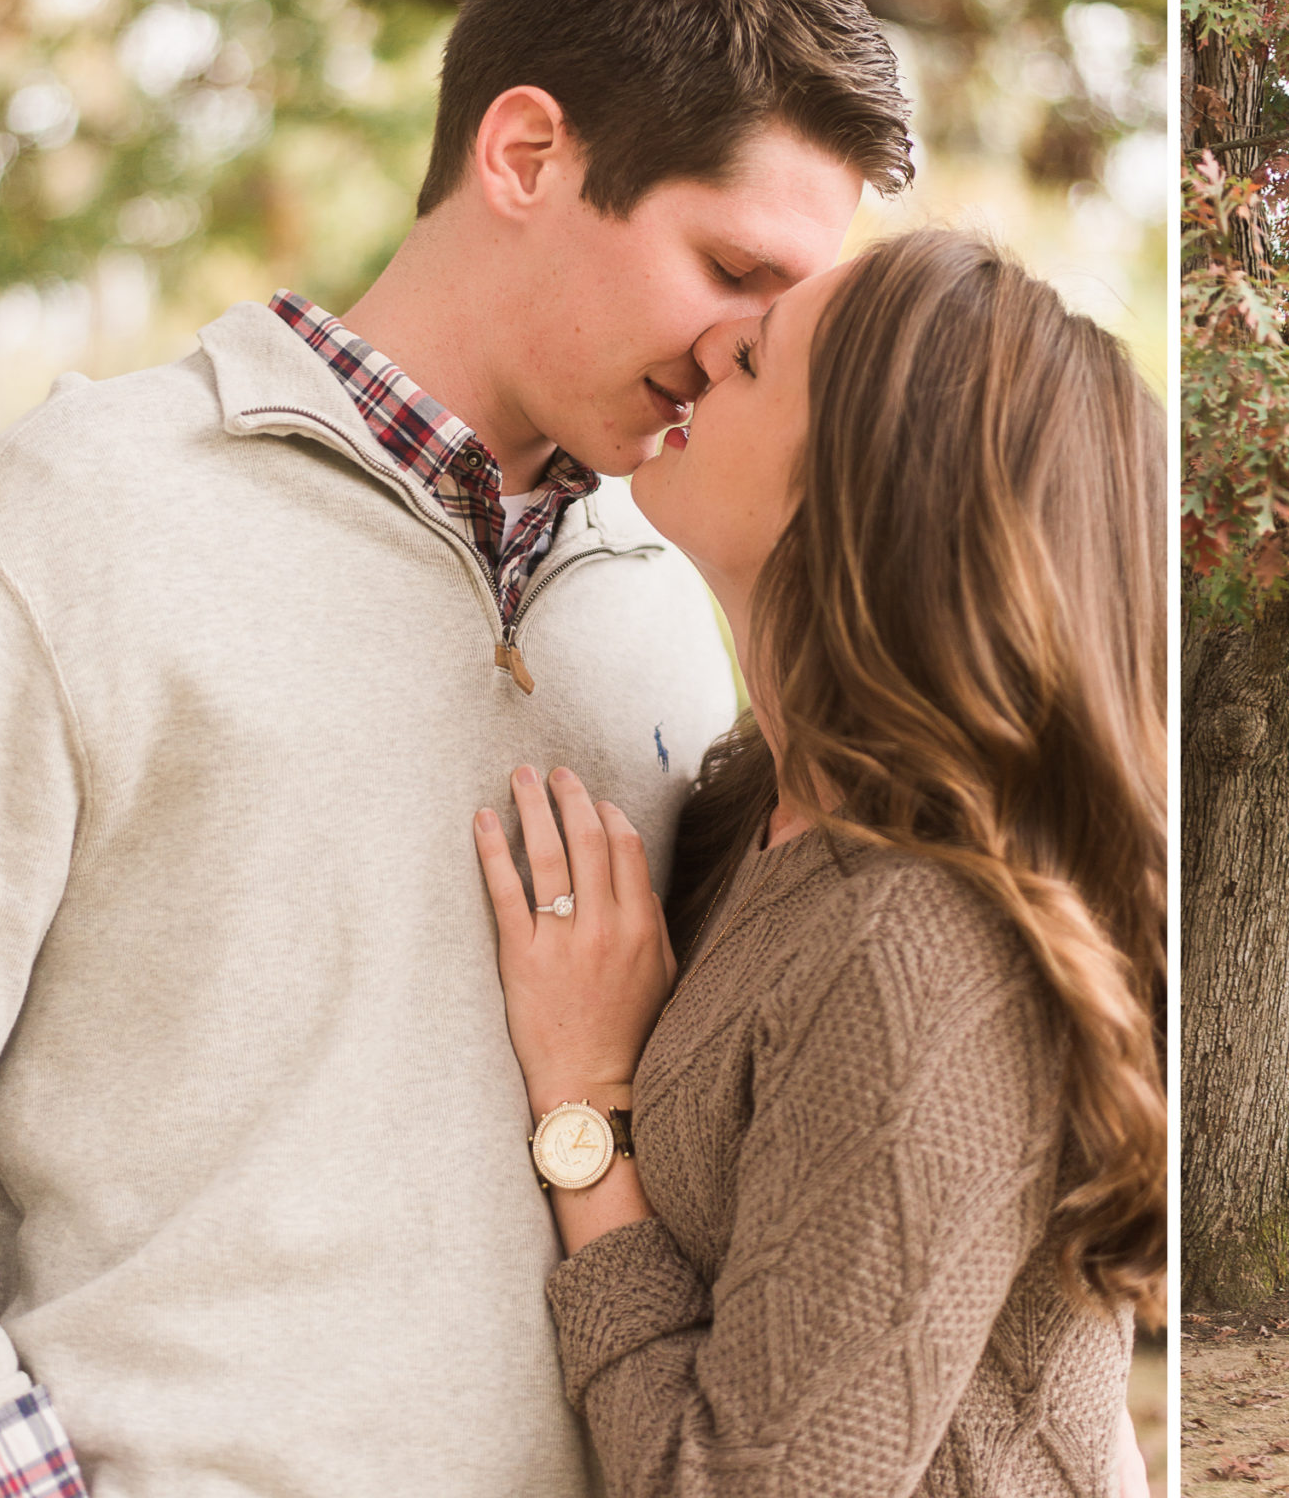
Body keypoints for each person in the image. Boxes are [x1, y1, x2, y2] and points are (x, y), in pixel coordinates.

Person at [0, 0, 908, 1497]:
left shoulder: (674, 604)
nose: (745, 352)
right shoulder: (75, 518)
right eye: (732, 272)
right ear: (527, 154)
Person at [471, 227, 1167, 1495]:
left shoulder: (913, 946)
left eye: (759, 350)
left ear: (857, 482)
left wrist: (587, 1103)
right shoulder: (751, 806)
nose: (709, 347)